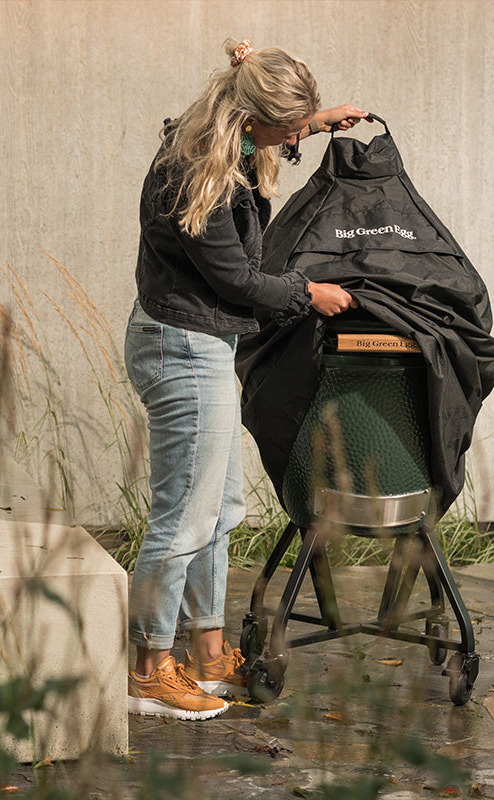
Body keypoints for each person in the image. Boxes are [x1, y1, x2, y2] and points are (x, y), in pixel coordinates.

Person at [124, 38, 369, 720]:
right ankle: (147, 669)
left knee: (219, 510)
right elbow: (237, 278)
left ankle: (207, 654)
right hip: (182, 346)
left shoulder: (220, 132)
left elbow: (263, 128)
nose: (293, 142)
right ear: (251, 119)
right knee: (182, 518)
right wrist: (307, 293)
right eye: (288, 131)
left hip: (200, 342)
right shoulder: (198, 171)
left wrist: (316, 123)